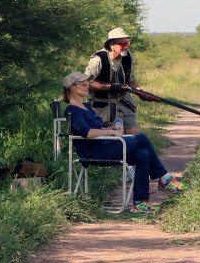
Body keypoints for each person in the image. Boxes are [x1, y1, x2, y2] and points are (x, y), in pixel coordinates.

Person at [62, 71, 186, 213]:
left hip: (103, 145)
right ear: (72, 87)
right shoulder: (73, 110)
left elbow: (96, 128)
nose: (86, 85)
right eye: (82, 83)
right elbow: (87, 132)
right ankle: (164, 178)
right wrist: (111, 132)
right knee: (141, 138)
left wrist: (111, 128)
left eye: (87, 82)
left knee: (143, 155)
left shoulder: (87, 107)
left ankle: (139, 202)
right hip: (93, 151)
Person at [84, 27, 147, 135]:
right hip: (104, 104)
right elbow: (85, 83)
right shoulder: (98, 59)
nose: (126, 47)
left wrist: (141, 92)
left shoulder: (129, 57)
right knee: (116, 134)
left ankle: (129, 152)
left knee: (134, 132)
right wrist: (109, 87)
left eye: (127, 44)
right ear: (112, 45)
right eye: (123, 44)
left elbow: (131, 81)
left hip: (123, 100)